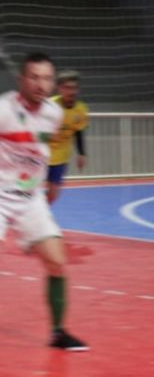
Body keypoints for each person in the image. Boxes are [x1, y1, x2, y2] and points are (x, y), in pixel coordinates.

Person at [0, 53, 88, 350]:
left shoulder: (54, 114)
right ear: (21, 80)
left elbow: (40, 148)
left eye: (47, 78)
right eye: (34, 77)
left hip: (30, 196)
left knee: (56, 261)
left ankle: (58, 332)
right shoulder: (3, 109)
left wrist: (51, 179)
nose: (41, 84)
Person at [46, 69, 88, 204]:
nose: (72, 92)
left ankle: (38, 216)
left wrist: (81, 154)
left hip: (60, 157)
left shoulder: (81, 110)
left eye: (75, 88)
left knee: (53, 195)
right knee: (26, 189)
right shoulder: (49, 106)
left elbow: (78, 131)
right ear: (59, 89)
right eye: (68, 88)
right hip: (42, 155)